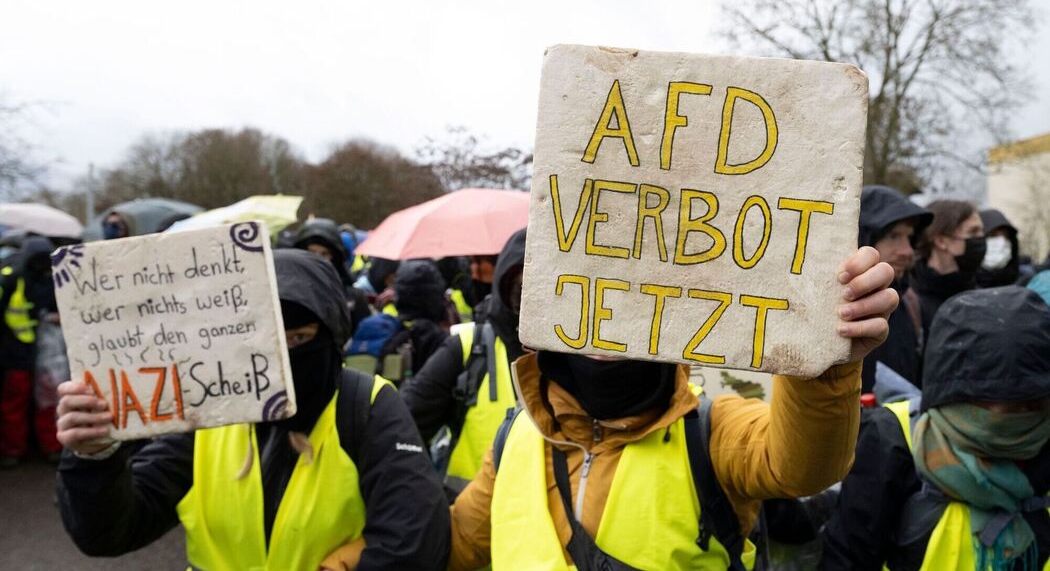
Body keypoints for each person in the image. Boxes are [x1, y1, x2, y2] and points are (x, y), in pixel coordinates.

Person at [447, 247, 898, 570]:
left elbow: (804, 468)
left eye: (628, 297)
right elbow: (455, 549)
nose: (606, 317)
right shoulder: (515, 442)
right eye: (582, 294)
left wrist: (821, 361)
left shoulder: (710, 432)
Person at [55, 250, 450, 570]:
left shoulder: (365, 405)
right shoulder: (206, 412)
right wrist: (95, 458)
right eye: (264, 342)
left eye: (298, 338)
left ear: (332, 336)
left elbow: (413, 542)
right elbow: (111, 533)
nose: (280, 359)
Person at [820, 286, 1050, 570]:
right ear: (950, 393)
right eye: (983, 403)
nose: (1004, 417)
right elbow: (847, 557)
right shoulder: (896, 440)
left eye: (1026, 405)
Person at [402, 228, 526, 496]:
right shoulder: (469, 346)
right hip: (469, 519)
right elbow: (403, 426)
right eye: (521, 285)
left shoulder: (594, 358)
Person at [857, 185, 932, 392]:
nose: (907, 251)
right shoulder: (830, 311)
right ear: (862, 237)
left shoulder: (912, 305)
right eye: (893, 236)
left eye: (909, 238)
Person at [0, 235, 61, 467]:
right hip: (19, 352)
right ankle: (15, 449)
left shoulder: (53, 278)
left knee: (48, 401)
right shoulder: (12, 279)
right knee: (17, 402)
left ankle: (48, 446)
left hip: (45, 353)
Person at [910, 200, 984, 338]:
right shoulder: (910, 301)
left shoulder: (981, 294)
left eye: (981, 231)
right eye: (973, 232)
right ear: (941, 241)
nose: (981, 238)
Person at [294, 217, 372, 335]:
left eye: (324, 253)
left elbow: (363, 336)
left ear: (334, 257)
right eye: (311, 252)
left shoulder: (352, 296)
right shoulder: (289, 292)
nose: (317, 258)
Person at [977, 209, 1020, 288]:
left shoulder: (1025, 282)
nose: (1002, 241)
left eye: (1006, 236)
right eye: (993, 235)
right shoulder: (963, 286)